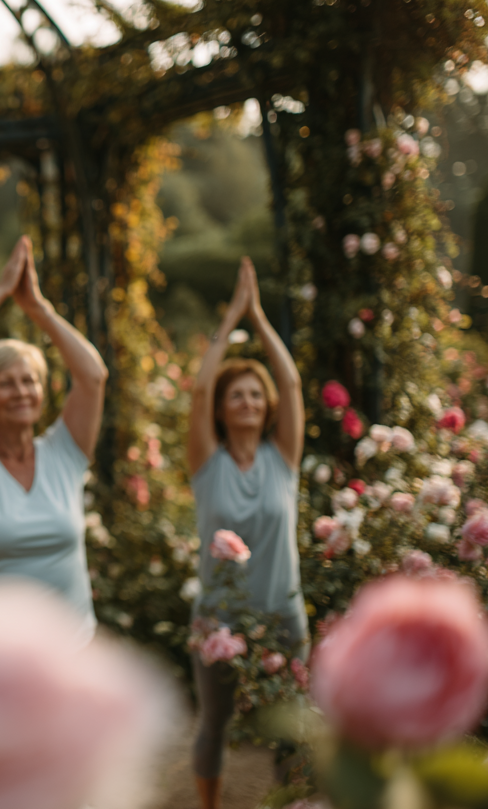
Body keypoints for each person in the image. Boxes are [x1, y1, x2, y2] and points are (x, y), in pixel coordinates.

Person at [187, 258, 308, 809]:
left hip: (282, 616)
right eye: (237, 395)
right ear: (222, 408)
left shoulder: (283, 459)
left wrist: (257, 319)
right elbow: (198, 388)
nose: (248, 402)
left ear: (267, 409)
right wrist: (228, 321)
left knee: (292, 725)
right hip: (220, 617)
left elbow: (290, 379)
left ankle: (291, 801)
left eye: (256, 396)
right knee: (214, 724)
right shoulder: (206, 463)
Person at [0, 235, 108, 622]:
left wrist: (38, 308)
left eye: (30, 381)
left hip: (72, 651)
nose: (22, 392)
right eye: (7, 383)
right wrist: (0, 293)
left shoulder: (65, 452)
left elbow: (93, 377)